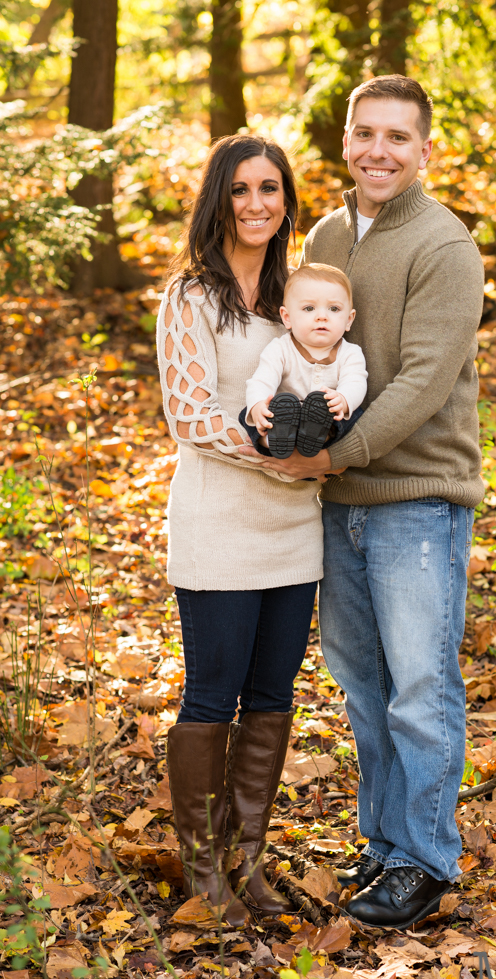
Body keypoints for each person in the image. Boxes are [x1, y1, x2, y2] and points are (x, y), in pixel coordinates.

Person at [240, 75, 485, 930]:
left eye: (397, 138)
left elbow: (422, 381)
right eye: (364, 134)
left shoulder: (445, 247)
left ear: (424, 151)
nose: (378, 151)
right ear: (345, 140)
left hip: (414, 499)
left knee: (419, 685)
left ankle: (425, 859)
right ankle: (383, 842)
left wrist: (332, 454)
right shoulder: (332, 232)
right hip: (339, 498)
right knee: (362, 681)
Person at [156, 134, 324, 926]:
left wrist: (325, 454)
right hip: (218, 526)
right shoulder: (191, 296)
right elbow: (192, 418)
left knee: (271, 695)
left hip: (295, 535)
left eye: (271, 188)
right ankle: (201, 872)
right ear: (217, 199)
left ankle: (248, 859)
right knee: (212, 696)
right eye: (240, 190)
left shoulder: (301, 298)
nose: (257, 203)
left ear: (287, 199)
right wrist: (285, 465)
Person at [240, 263, 367, 458]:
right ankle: (271, 440)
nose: (322, 317)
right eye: (309, 308)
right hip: (284, 415)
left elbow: (356, 382)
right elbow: (262, 380)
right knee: (249, 414)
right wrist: (259, 404)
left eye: (334, 309)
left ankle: (318, 436)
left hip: (325, 416)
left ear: (349, 319)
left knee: (352, 415)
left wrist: (342, 399)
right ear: (287, 317)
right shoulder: (280, 348)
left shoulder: (350, 353)